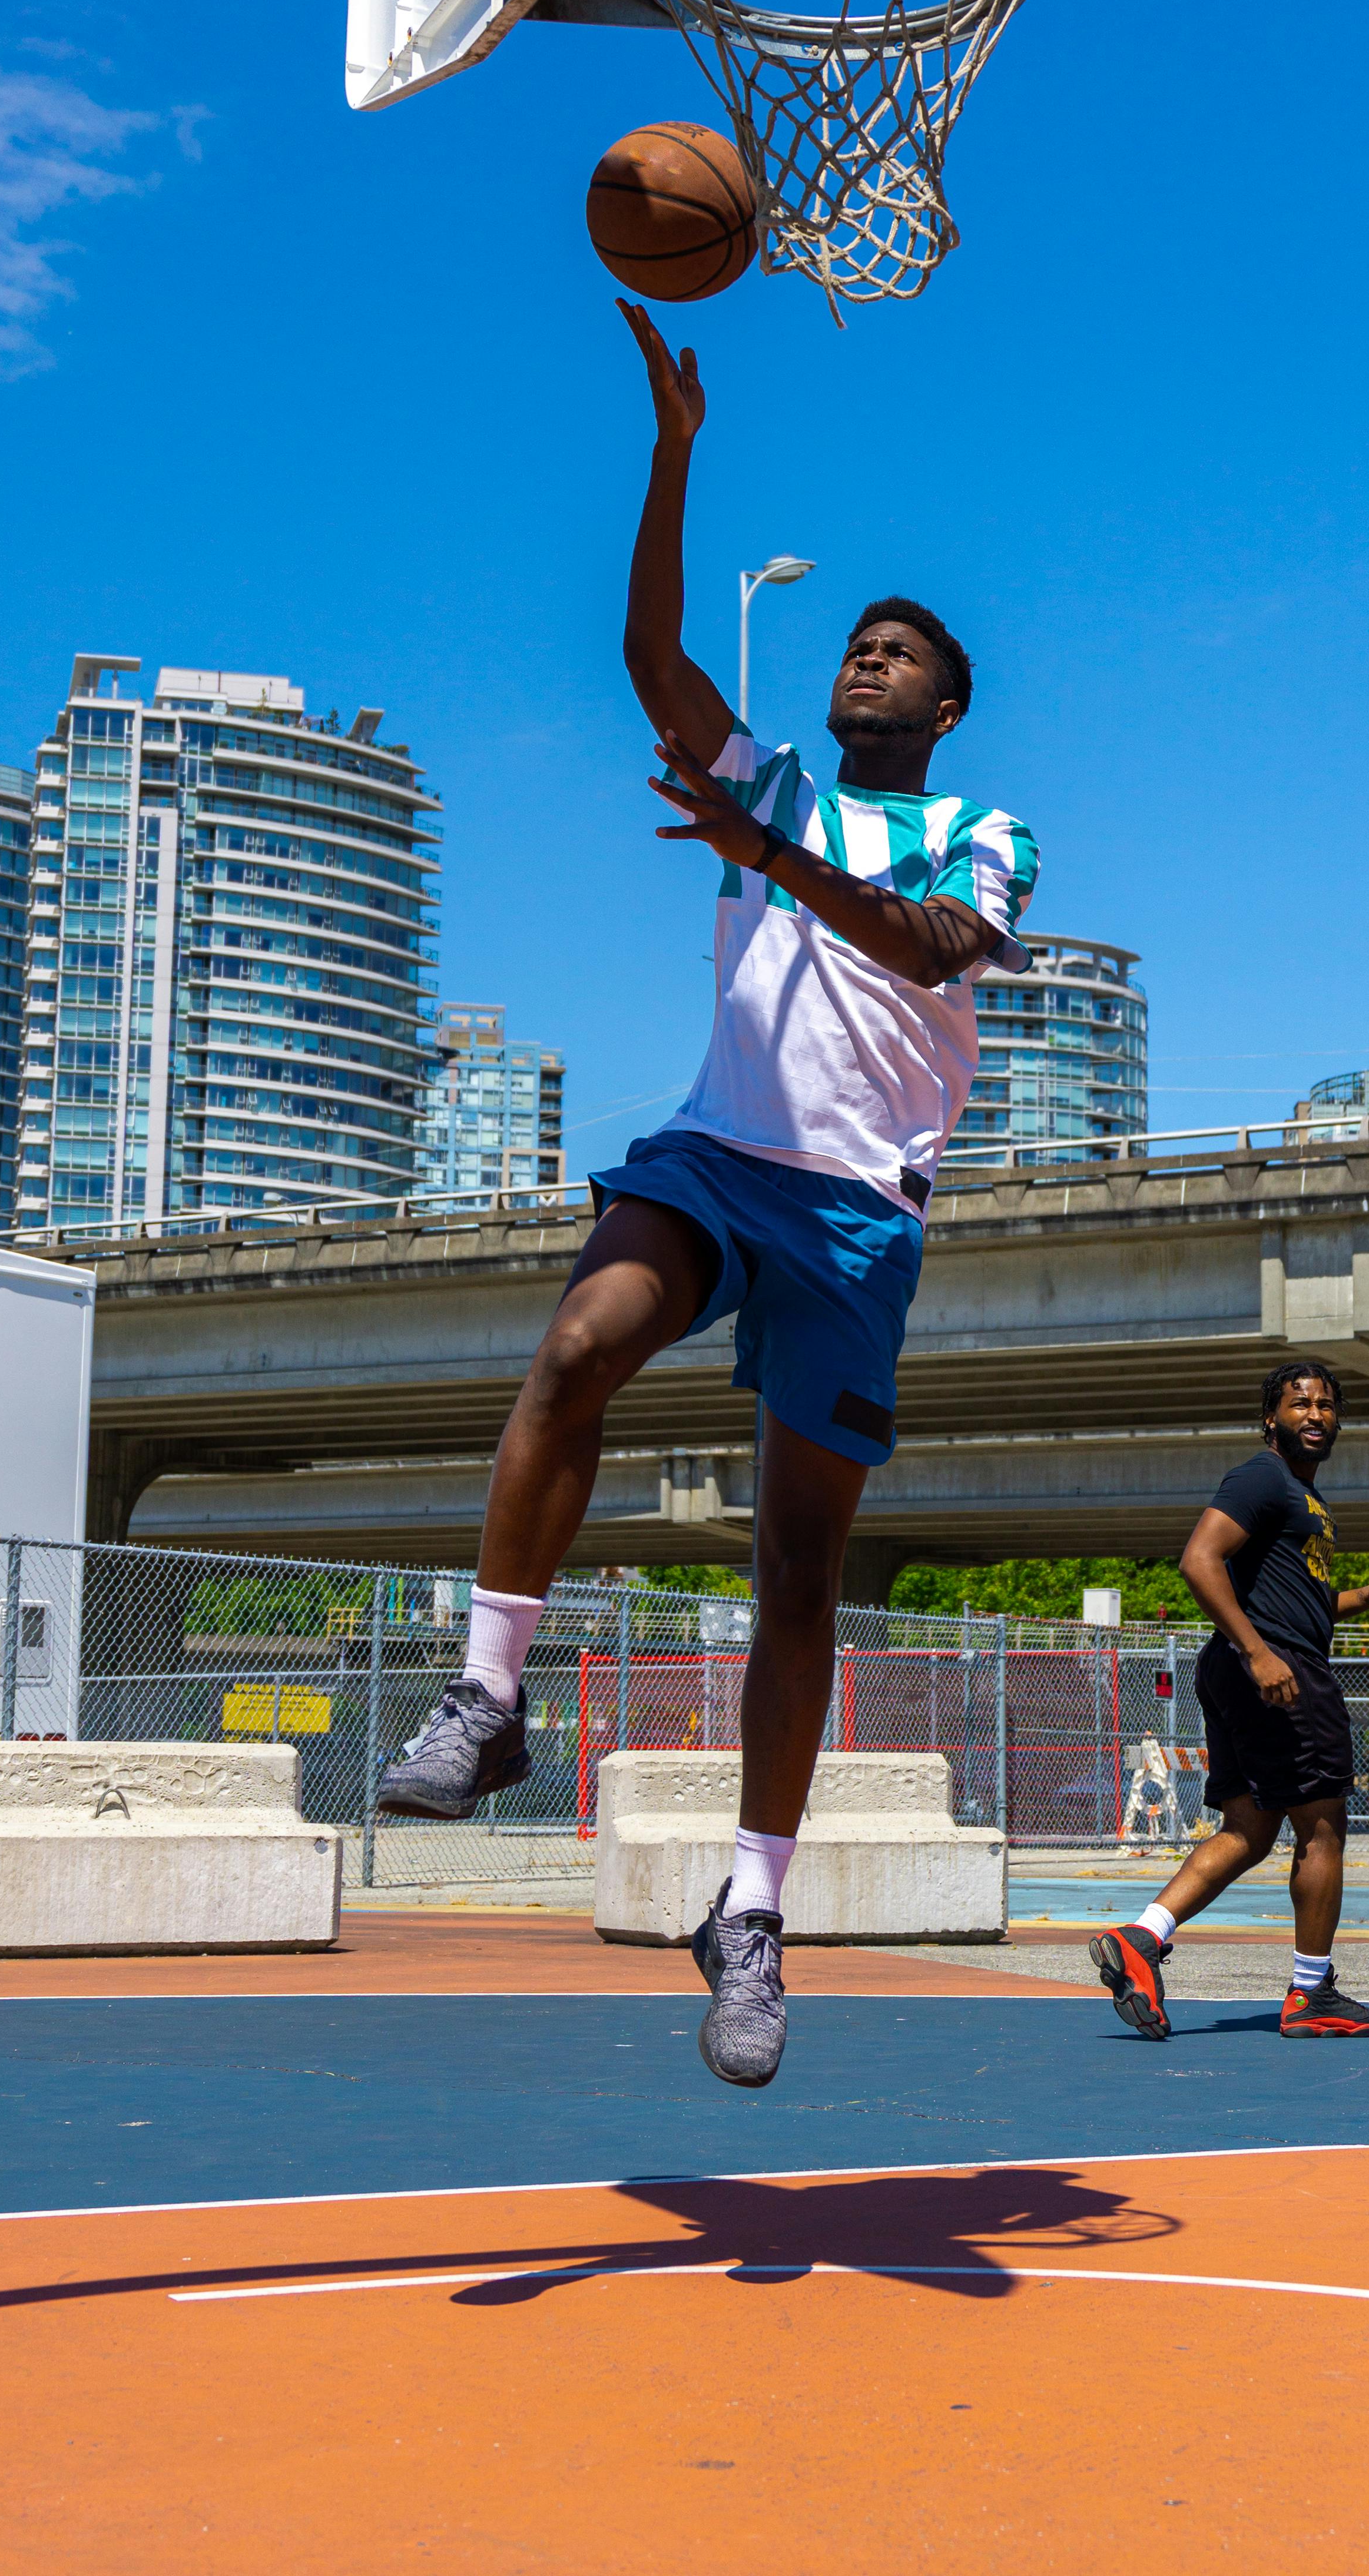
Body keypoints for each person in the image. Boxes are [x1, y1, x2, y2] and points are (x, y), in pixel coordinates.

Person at [375, 301, 1039, 2090]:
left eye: (897, 650)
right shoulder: (772, 781)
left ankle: (747, 1907)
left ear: (946, 699)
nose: (864, 661)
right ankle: (489, 1695)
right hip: (714, 1153)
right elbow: (653, 648)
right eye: (852, 644)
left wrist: (770, 856)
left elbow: (921, 948)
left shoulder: (980, 829)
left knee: (799, 1568)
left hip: (856, 1212)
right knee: (579, 1341)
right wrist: (672, 448)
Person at [1088, 1360, 1369, 2039]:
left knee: (1248, 1830)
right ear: (1271, 1419)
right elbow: (1199, 1560)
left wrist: (1364, 1600)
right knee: (1321, 1827)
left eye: (1326, 1405)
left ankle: (1141, 1940)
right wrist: (1261, 1654)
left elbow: (1306, 1601)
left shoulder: (1301, 1498)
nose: (1315, 1415)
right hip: (1275, 1669)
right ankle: (1311, 1992)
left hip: (1247, 1665)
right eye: (1299, 1404)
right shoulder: (1262, 1477)